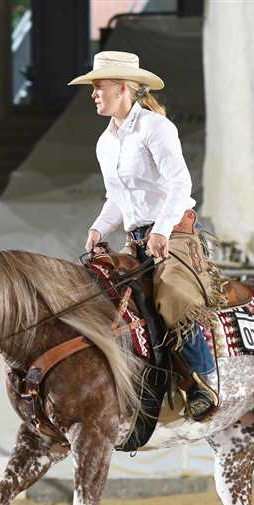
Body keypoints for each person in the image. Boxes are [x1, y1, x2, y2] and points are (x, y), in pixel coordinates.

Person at [69, 51, 224, 420]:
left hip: (176, 233)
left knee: (172, 296)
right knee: (104, 295)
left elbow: (180, 183)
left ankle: (205, 380)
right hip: (137, 240)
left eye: (99, 86)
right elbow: (116, 198)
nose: (94, 93)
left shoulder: (156, 128)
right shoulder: (105, 143)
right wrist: (98, 228)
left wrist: (162, 230)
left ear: (122, 88)